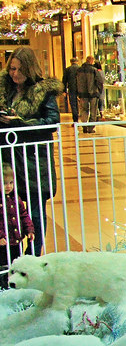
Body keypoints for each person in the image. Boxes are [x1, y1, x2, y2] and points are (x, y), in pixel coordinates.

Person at [0, 47, 62, 255]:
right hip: (9, 159)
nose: (13, 73)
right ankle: (12, 255)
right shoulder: (5, 90)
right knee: (9, 209)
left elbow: (52, 122)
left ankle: (33, 254)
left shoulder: (43, 91)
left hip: (34, 160)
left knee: (35, 210)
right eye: (11, 69)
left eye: (17, 69)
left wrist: (23, 123)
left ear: (28, 68)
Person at [0, 161, 34, 288]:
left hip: (16, 240)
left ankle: (15, 286)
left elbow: (23, 214)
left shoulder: (15, 198)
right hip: (3, 242)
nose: (8, 186)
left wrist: (29, 229)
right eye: (4, 183)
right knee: (3, 266)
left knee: (15, 264)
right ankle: (3, 288)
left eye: (11, 183)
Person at [77, 55, 104, 133]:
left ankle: (84, 125)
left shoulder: (79, 70)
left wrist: (78, 92)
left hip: (82, 94)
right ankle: (91, 128)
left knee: (84, 110)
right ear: (92, 61)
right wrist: (99, 91)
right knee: (93, 111)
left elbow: (76, 82)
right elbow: (99, 81)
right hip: (93, 93)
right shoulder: (94, 70)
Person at [62, 57, 80, 122]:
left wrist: (64, 90)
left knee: (73, 105)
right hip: (80, 89)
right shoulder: (80, 69)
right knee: (82, 104)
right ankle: (84, 120)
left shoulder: (67, 69)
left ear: (71, 62)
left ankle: (75, 120)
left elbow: (64, 80)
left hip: (71, 88)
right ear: (77, 62)